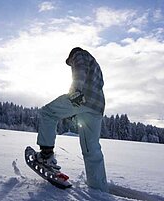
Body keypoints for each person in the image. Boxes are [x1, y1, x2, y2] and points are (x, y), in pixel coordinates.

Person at [35, 47, 108, 192]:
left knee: (48, 112)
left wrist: (76, 92)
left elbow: (80, 70)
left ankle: (46, 156)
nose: (71, 65)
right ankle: (98, 188)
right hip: (97, 107)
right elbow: (97, 84)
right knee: (91, 149)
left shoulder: (79, 54)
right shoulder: (95, 64)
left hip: (82, 98)